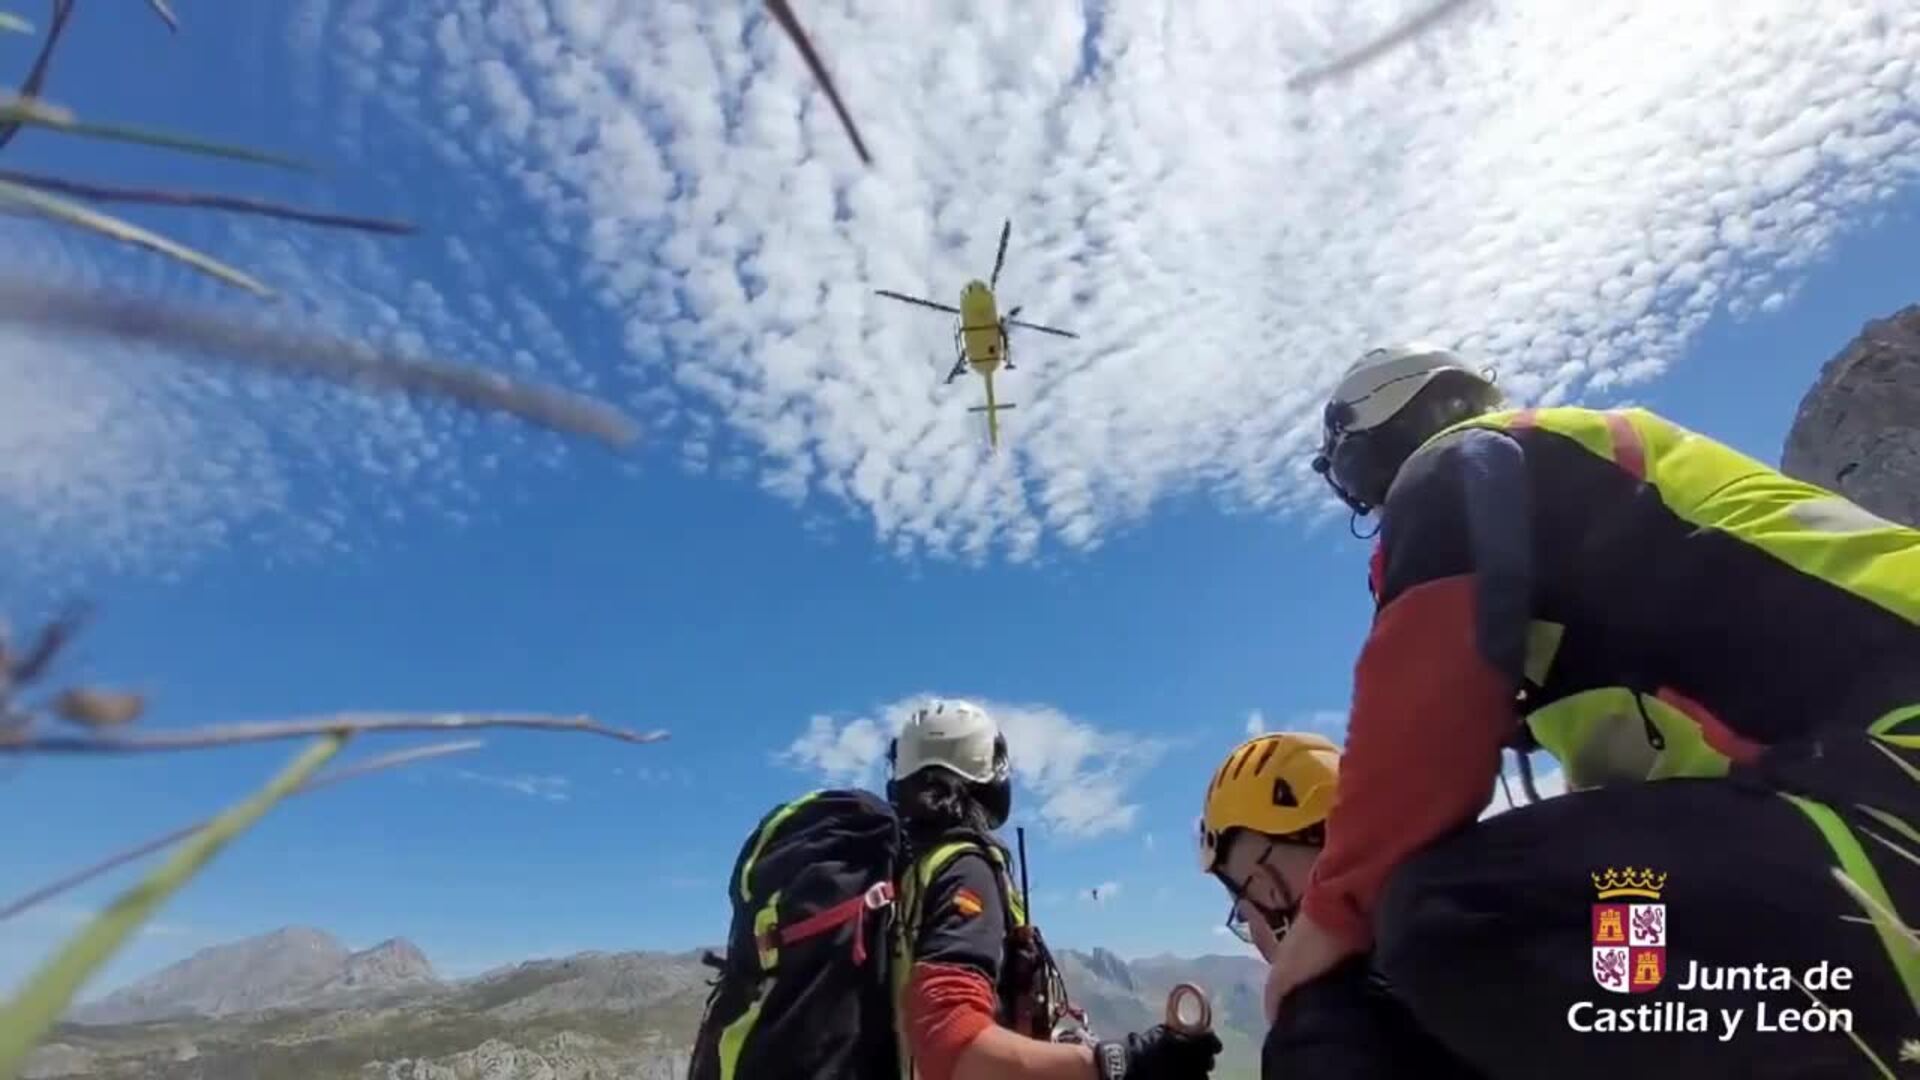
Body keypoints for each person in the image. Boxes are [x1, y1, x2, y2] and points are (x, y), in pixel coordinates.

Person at [1261, 342, 1920, 1077]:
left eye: (1349, 473)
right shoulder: (1581, 501)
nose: (1368, 506)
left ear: (1375, 437)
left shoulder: (1460, 461)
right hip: (1845, 798)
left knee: (1445, 917)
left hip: (1883, 774)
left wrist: (1327, 922)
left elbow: (1419, 719)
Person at [889, 698, 1223, 1080]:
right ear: (990, 771)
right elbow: (950, 1042)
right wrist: (1120, 1063)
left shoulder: (896, 873)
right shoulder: (963, 867)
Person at [1196, 730, 1486, 1080]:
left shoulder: (1319, 1039)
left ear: (1268, 887)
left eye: (1242, 909)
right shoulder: (1472, 928)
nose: (1249, 927)